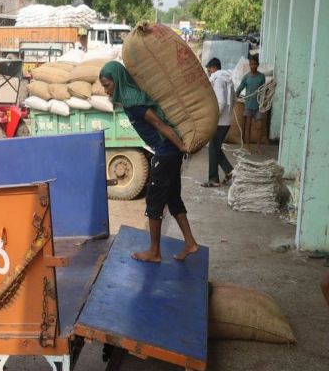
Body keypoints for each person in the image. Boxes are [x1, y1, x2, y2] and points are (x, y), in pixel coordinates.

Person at [99, 61, 199, 263]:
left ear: (117, 81)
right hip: (167, 151)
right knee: (172, 198)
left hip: (167, 152)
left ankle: (154, 252)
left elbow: (159, 124)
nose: (105, 90)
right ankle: (190, 243)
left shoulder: (134, 102)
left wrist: (181, 146)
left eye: (107, 85)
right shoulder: (128, 100)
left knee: (154, 201)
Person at [202, 58, 235, 187]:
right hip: (225, 120)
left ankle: (214, 179)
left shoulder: (218, 80)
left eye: (209, 69)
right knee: (215, 148)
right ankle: (229, 171)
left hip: (219, 121)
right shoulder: (228, 80)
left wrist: (213, 118)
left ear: (213, 68)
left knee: (212, 149)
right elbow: (234, 98)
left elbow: (220, 102)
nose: (209, 72)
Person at [236, 54, 267, 154]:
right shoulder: (246, 77)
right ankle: (247, 147)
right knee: (247, 126)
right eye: (251, 64)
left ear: (258, 65)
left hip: (258, 106)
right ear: (249, 65)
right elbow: (240, 88)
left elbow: (263, 90)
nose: (253, 66)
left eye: (254, 64)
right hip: (248, 105)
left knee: (259, 126)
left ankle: (258, 147)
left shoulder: (262, 77)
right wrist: (235, 95)